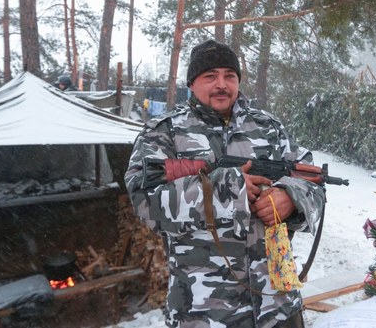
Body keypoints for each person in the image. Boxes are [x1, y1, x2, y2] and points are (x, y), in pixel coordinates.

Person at [125, 39, 325, 328]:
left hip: (278, 305)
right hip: (204, 311)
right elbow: (144, 202)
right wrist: (229, 190)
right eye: (210, 76)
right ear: (192, 83)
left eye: (229, 76)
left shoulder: (269, 128)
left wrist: (291, 198)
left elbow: (314, 179)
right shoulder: (164, 133)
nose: (222, 84)